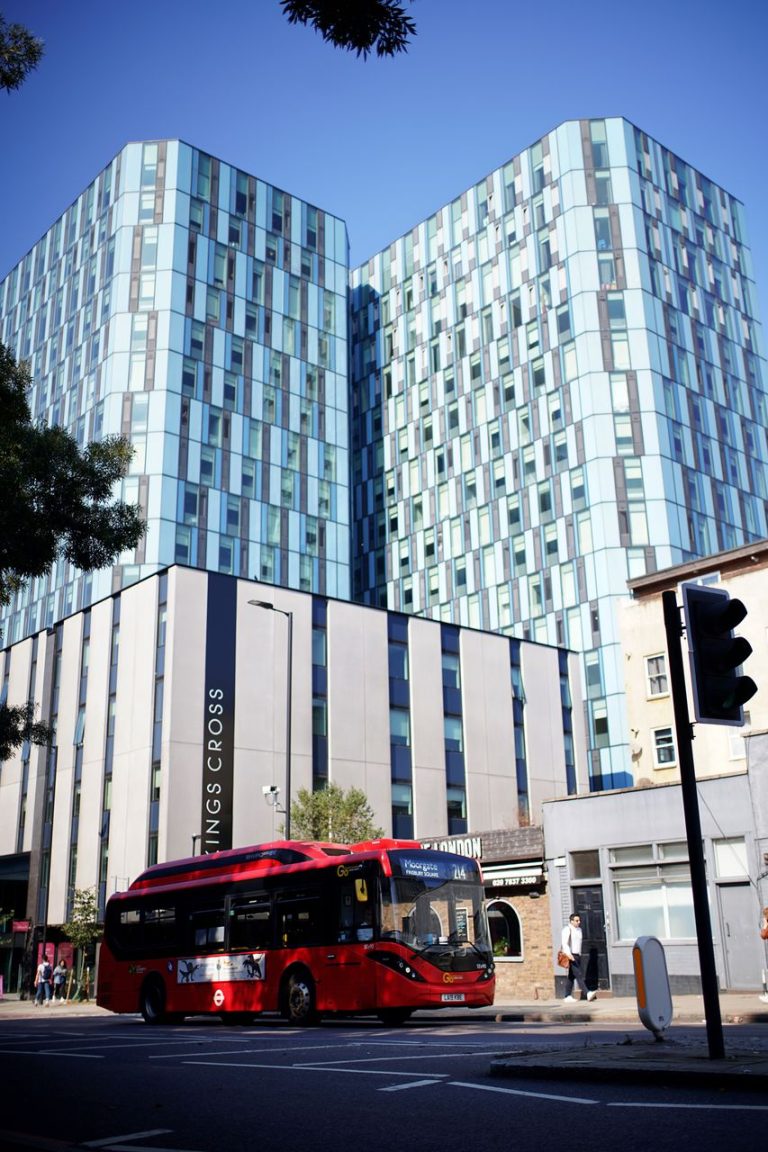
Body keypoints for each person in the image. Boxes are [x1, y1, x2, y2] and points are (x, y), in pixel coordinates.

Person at [561, 913, 597, 1002]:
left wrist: (579, 954)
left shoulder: (579, 930)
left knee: (571, 976)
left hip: (577, 955)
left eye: (579, 920)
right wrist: (569, 954)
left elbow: (578, 943)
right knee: (578, 974)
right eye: (576, 920)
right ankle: (587, 993)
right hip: (571, 955)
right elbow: (564, 943)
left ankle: (567, 995)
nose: (579, 922)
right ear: (571, 921)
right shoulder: (567, 929)